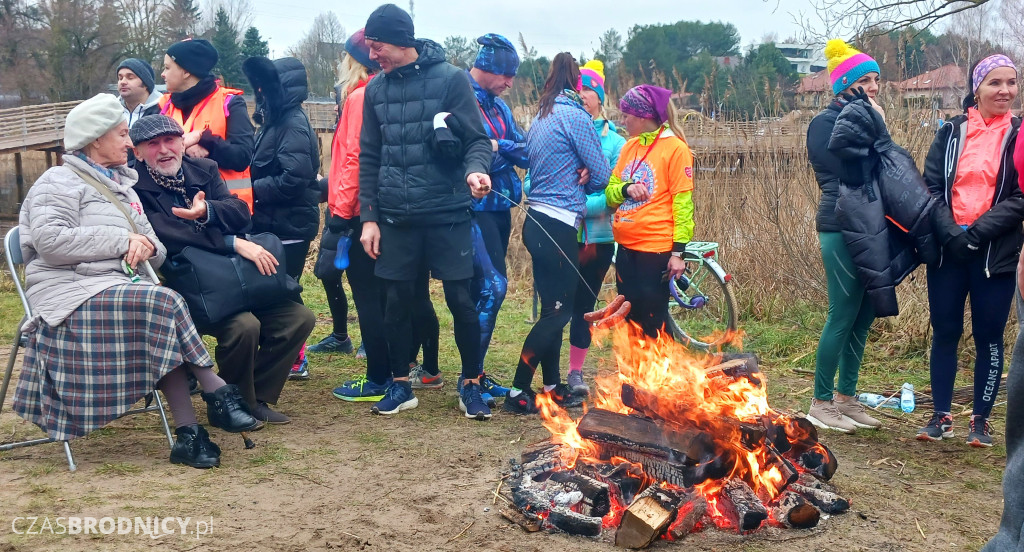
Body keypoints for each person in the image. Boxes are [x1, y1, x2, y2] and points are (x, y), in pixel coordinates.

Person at [12, 95, 260, 469]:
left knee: (160, 306)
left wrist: (143, 247)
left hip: (117, 288)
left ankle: (189, 437)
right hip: (67, 293)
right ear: (96, 140)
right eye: (123, 134)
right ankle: (219, 392)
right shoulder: (58, 181)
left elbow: (156, 251)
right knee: (165, 302)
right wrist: (122, 241)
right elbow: (50, 242)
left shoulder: (123, 188)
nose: (130, 144)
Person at [131, 114, 316, 425]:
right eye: (153, 144)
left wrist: (208, 210)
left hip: (231, 279)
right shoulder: (135, 186)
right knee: (244, 327)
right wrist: (232, 243)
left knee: (299, 318)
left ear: (181, 142)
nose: (164, 149)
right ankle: (228, 403)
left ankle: (253, 398)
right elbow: (168, 234)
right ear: (137, 152)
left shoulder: (204, 169)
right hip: (184, 285)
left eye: (170, 140)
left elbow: (240, 212)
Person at [358, 3, 494, 419]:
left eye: (377, 45)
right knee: (396, 302)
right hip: (396, 218)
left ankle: (471, 382)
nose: (373, 54)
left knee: (460, 299)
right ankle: (402, 384)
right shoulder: (376, 90)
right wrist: (369, 217)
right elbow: (369, 155)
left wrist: (475, 173)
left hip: (447, 213)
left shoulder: (451, 79)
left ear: (401, 40)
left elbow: (478, 141)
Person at [918, 54, 1024, 447]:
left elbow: (1019, 197)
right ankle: (940, 415)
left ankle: (980, 421)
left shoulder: (1020, 134)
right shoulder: (950, 131)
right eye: (995, 83)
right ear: (976, 88)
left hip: (994, 252)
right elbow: (929, 188)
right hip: (949, 250)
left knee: (989, 336)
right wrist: (950, 232)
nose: (1005, 91)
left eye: (1011, 82)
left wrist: (977, 232)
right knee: (945, 331)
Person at [502, 52, 611, 415]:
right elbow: (601, 175)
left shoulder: (542, 116)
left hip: (535, 221)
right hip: (559, 224)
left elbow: (540, 164)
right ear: (577, 82)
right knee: (559, 315)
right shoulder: (576, 116)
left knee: (551, 309)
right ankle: (519, 389)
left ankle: (551, 386)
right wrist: (585, 171)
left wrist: (576, 167)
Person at [804, 40, 886, 434]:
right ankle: (819, 402)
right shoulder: (823, 123)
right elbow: (853, 170)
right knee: (843, 311)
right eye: (865, 80)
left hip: (871, 224)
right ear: (845, 85)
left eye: (876, 79)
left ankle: (846, 397)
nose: (873, 86)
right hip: (839, 224)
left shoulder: (869, 116)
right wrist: (875, 124)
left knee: (865, 312)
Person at [457, 33, 528, 403]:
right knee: (491, 288)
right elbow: (471, 154)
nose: (510, 83)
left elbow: (526, 149)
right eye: (507, 75)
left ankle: (478, 373)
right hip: (471, 211)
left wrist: (500, 146)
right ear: (487, 68)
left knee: (484, 292)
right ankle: (467, 379)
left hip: (501, 211)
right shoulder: (461, 98)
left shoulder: (499, 106)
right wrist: (496, 152)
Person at [242, 55, 322, 381]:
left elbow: (295, 178)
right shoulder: (272, 122)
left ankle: (295, 357)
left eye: (266, 85)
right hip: (271, 221)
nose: (259, 91)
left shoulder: (293, 124)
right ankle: (283, 351)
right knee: (271, 289)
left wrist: (250, 192)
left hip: (290, 223)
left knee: (285, 289)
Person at [604, 84, 694, 340]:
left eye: (626, 116)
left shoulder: (675, 149)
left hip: (655, 250)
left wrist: (678, 253)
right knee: (628, 317)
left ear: (643, 117)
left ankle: (660, 377)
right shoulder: (629, 147)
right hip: (625, 248)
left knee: (653, 320)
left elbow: (683, 204)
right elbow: (610, 194)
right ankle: (633, 377)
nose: (623, 121)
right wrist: (626, 188)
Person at [310, 31, 378, 358]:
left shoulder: (360, 97)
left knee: (364, 283)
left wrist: (341, 208)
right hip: (350, 199)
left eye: (344, 55)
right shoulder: (357, 95)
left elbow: (355, 156)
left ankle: (373, 346)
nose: (340, 62)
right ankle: (353, 339)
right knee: (347, 276)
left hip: (352, 207)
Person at [567, 59, 625, 395]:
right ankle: (546, 379)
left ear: (600, 96)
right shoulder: (558, 128)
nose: (582, 95)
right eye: (577, 89)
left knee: (584, 306)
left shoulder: (615, 143)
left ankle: (575, 374)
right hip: (558, 234)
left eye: (588, 89)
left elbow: (612, 195)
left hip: (598, 237)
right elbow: (532, 183)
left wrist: (573, 205)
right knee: (555, 306)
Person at [159, 38, 256, 212]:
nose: (162, 74)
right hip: (174, 211)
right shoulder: (161, 106)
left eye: (167, 67)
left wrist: (205, 141)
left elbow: (242, 156)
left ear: (186, 71)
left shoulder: (230, 102)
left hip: (226, 211)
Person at [117, 58, 161, 128]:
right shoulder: (112, 111)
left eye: (130, 77)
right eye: (120, 78)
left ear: (146, 83)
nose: (123, 82)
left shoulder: (163, 111)